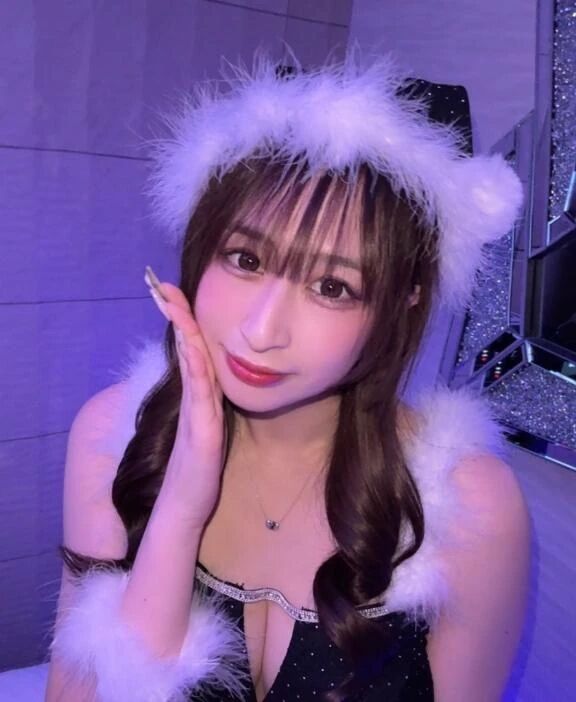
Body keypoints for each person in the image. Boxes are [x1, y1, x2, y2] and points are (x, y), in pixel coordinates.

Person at [45, 50, 530, 702]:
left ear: (407, 297)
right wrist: (180, 507)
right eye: (245, 259)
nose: (261, 329)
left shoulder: (469, 507)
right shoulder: (113, 435)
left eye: (332, 286)